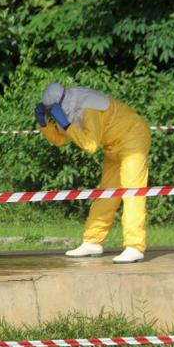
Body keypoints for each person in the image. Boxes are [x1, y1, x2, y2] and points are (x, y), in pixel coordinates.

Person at [35, 83, 151, 263]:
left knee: (132, 192)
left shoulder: (88, 106)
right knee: (107, 194)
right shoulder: (69, 108)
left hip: (132, 137)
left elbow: (90, 145)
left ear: (59, 104)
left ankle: (135, 246)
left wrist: (66, 124)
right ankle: (92, 241)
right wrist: (44, 125)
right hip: (113, 145)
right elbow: (60, 140)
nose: (52, 114)